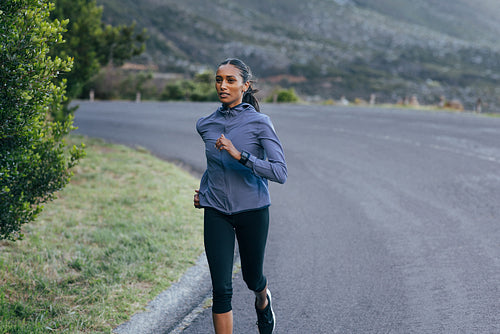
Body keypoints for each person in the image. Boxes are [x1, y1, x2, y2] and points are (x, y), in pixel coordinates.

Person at [194, 58, 287, 334]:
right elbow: (212, 164)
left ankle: (263, 299)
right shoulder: (206, 125)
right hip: (217, 211)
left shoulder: (260, 123)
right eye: (218, 79)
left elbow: (280, 172)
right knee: (221, 288)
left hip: (253, 210)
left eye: (230, 80)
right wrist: (205, 190)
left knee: (252, 277)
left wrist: (241, 155)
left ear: (245, 86)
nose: (222, 85)